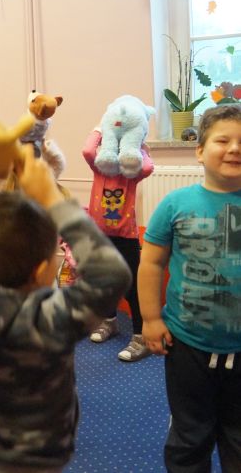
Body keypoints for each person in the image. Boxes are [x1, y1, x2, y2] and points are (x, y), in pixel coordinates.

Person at [0, 147, 130, 472]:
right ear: (41, 271)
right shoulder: (45, 318)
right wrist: (52, 197)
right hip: (35, 459)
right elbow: (113, 275)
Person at [139, 104, 241, 472]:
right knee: (190, 434)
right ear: (199, 151)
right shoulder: (175, 204)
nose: (235, 149)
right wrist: (151, 319)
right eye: (223, 141)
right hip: (188, 344)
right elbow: (151, 263)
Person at [82, 127, 154, 361]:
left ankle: (140, 336)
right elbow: (87, 150)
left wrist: (139, 146)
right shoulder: (100, 169)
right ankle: (109, 321)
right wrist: (100, 129)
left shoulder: (130, 173)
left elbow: (147, 167)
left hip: (126, 237)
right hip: (101, 236)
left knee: (133, 288)